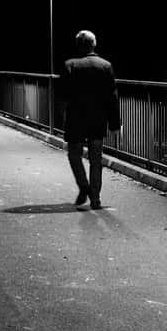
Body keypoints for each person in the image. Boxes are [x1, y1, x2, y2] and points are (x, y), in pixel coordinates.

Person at [59, 30, 121, 209]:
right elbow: (112, 97)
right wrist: (114, 123)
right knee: (96, 159)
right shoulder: (105, 66)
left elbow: (62, 94)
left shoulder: (69, 65)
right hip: (97, 119)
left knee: (74, 155)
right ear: (94, 44)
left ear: (78, 45)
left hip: (75, 118)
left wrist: (61, 116)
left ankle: (84, 186)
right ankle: (95, 199)